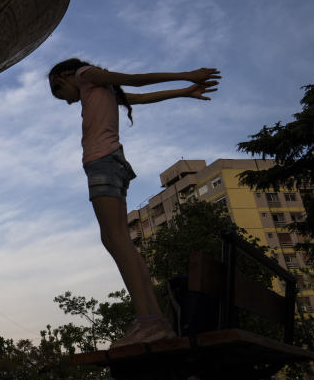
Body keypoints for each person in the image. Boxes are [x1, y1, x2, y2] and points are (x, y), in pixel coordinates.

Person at [48, 59, 220, 346]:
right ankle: (155, 319)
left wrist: (186, 74)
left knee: (115, 240)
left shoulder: (85, 75)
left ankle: (148, 321)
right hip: (111, 164)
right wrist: (185, 91)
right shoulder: (100, 89)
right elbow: (139, 97)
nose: (65, 101)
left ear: (65, 74)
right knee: (120, 241)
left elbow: (136, 80)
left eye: (58, 89)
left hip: (103, 163)